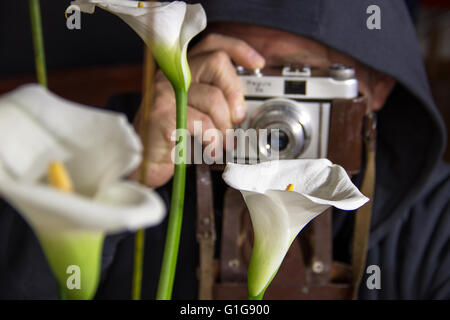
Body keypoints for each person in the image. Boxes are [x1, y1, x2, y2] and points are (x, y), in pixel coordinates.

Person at [0, 0, 448, 300]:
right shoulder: (133, 138)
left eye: (300, 76)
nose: (274, 110)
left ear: (379, 86)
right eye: (244, 70)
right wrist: (121, 168)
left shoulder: (432, 216)